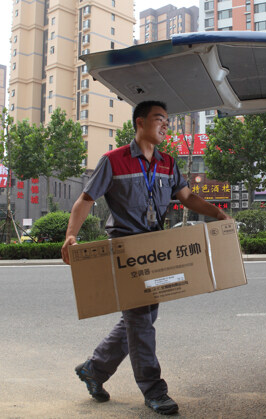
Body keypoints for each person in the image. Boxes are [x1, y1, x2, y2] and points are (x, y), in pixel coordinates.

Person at [61, 100, 230, 415]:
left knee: (140, 319)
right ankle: (154, 390)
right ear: (140, 122)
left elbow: (187, 197)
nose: (165, 125)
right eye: (159, 119)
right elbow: (86, 199)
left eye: (167, 120)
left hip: (157, 249)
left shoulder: (167, 163)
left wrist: (218, 213)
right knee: (140, 320)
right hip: (126, 250)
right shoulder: (113, 161)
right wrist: (71, 235)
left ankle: (94, 370)